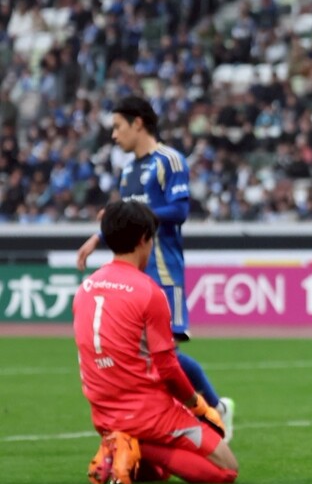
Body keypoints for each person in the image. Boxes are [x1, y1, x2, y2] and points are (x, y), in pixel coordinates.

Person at [75, 95, 234, 438]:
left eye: (118, 126)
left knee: (166, 354)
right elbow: (125, 223)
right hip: (133, 276)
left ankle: (216, 409)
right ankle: (172, 420)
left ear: (138, 123)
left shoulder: (169, 160)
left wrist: (135, 214)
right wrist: (98, 237)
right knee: (147, 354)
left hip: (163, 269)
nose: (114, 135)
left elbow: (179, 211)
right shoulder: (128, 172)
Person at [73, 201, 238, 484]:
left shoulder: (86, 287)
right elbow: (168, 366)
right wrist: (197, 405)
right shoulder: (149, 291)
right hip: (150, 414)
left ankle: (125, 446)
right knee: (226, 469)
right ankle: (137, 444)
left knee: (159, 474)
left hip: (103, 414)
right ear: (143, 240)